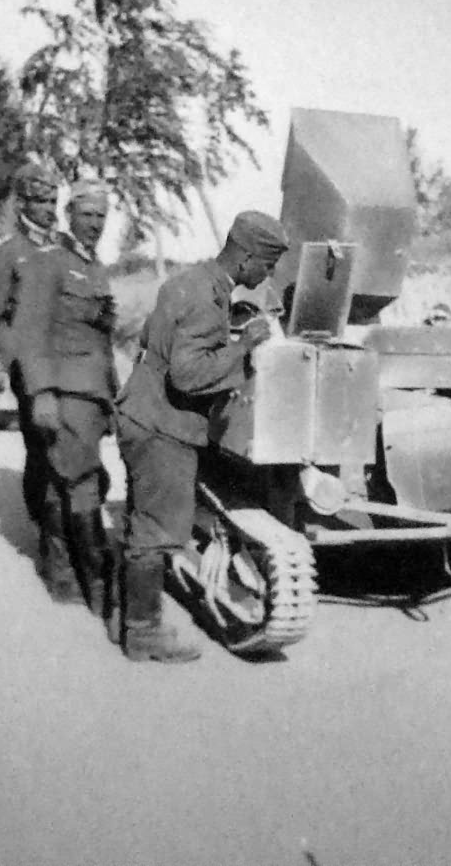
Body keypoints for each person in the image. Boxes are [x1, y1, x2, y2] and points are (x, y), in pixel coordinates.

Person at [113, 210, 288, 663]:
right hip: (163, 425)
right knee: (155, 531)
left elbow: (154, 339)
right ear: (247, 256)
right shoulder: (209, 302)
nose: (266, 275)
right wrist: (244, 346)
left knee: (141, 517)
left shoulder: (187, 282)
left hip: (140, 411)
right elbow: (189, 377)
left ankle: (129, 617)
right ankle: (143, 634)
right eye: (266, 266)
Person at [12, 180, 119, 614]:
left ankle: (60, 572)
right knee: (84, 481)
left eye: (101, 217)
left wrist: (111, 396)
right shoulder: (49, 263)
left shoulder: (97, 269)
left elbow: (102, 340)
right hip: (64, 390)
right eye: (87, 215)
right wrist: (41, 393)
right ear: (69, 215)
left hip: (92, 392)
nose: (94, 224)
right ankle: (100, 586)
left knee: (65, 480)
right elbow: (30, 333)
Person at [0, 163, 66, 589]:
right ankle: (50, 541)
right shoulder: (4, 254)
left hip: (73, 366)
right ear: (23, 203)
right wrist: (21, 367)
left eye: (54, 201)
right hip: (32, 370)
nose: (50, 209)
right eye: (41, 201)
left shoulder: (66, 249)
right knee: (44, 450)